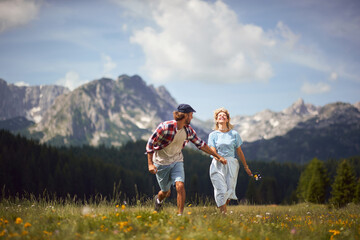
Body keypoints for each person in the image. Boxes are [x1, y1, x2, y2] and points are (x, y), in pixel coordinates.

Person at [146, 104, 227, 215]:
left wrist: (218, 157)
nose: (192, 117)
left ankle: (180, 214)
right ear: (185, 115)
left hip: (177, 160)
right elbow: (150, 143)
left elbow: (201, 145)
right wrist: (150, 164)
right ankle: (158, 200)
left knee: (180, 185)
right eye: (191, 115)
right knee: (166, 192)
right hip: (161, 162)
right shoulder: (165, 127)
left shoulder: (188, 131)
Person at [208, 107, 252, 214]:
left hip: (231, 164)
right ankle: (224, 216)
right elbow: (212, 150)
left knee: (229, 191)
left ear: (227, 119)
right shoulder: (213, 135)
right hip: (217, 164)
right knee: (220, 190)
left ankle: (222, 212)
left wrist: (246, 167)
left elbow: (239, 152)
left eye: (224, 116)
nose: (222, 117)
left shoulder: (234, 134)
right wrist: (219, 158)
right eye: (219, 116)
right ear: (217, 120)